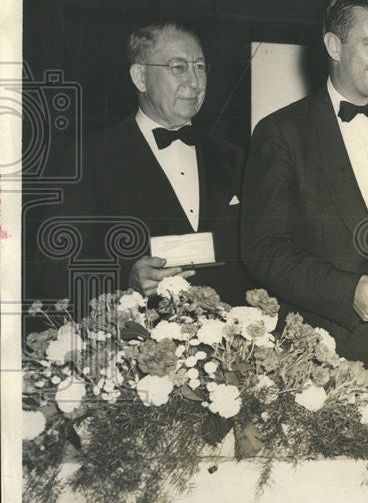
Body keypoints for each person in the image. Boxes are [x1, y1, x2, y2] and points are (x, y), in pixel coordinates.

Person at [241, 0, 368, 388]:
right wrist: (345, 291)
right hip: (330, 361)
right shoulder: (280, 132)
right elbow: (262, 248)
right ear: (333, 46)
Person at [41, 21, 250, 307]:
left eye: (200, 67)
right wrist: (126, 280)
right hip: (137, 345)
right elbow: (53, 270)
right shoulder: (89, 159)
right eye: (178, 67)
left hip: (231, 345)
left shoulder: (235, 158)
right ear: (140, 77)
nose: (194, 81)